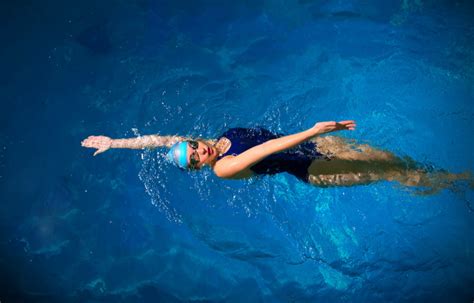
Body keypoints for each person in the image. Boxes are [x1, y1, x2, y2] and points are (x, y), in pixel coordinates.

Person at [81, 120, 471, 193]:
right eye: (195, 158)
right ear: (200, 168)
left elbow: (160, 139)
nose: (201, 151)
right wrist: (314, 132)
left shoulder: (213, 141)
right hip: (312, 166)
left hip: (313, 146)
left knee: (396, 161)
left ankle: (441, 180)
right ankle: (458, 182)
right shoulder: (223, 168)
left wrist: (116, 143)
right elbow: (267, 149)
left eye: (194, 147)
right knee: (388, 172)